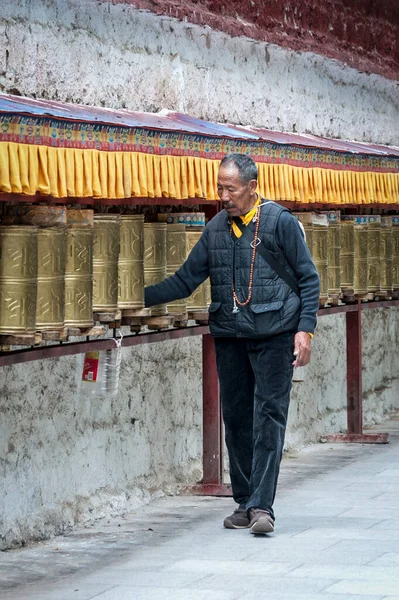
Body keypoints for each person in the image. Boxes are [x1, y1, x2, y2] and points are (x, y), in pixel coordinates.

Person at [145, 153, 320, 535]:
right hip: (230, 335)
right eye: (219, 187)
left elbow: (309, 279)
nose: (223, 195)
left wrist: (304, 329)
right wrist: (130, 298)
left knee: (269, 417)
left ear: (252, 187)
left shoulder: (279, 223)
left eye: (231, 189)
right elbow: (185, 280)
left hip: (275, 333)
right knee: (237, 418)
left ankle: (261, 507)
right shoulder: (215, 231)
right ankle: (244, 501)